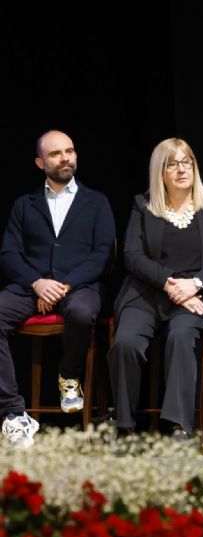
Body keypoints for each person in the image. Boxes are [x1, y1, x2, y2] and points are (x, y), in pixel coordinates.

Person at [108, 138, 203, 437]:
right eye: (172, 164)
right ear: (160, 171)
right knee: (125, 343)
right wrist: (169, 284)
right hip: (148, 292)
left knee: (181, 336)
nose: (182, 170)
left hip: (197, 294)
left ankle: (178, 425)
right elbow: (132, 255)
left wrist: (195, 284)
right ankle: (125, 426)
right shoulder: (143, 206)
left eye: (186, 162)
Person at [0, 130, 115, 447]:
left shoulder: (96, 201)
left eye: (69, 151)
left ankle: (69, 374)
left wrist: (64, 286)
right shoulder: (25, 204)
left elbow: (103, 254)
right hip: (32, 287)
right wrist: (37, 283)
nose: (65, 158)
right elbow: (9, 253)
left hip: (79, 286)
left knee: (80, 312)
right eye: (55, 154)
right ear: (40, 163)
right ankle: (14, 413)